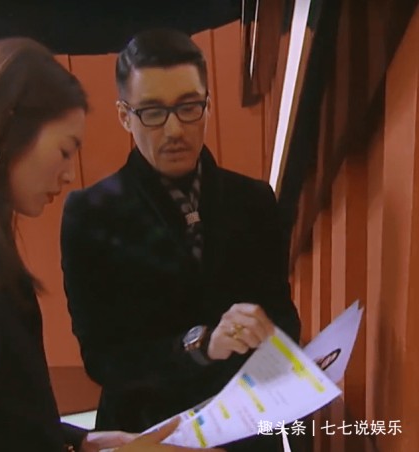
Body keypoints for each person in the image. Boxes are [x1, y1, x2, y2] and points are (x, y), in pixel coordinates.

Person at [0, 37, 211, 452]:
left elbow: (0, 418)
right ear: (7, 133)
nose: (70, 174)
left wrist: (83, 441)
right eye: (64, 150)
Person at [61, 29, 301, 450]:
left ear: (208, 104)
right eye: (153, 112)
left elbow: (284, 318)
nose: (174, 129)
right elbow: (102, 358)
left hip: (243, 432)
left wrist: (268, 334)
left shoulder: (254, 200)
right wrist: (201, 344)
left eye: (189, 107)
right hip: (144, 433)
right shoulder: (91, 213)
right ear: (124, 116)